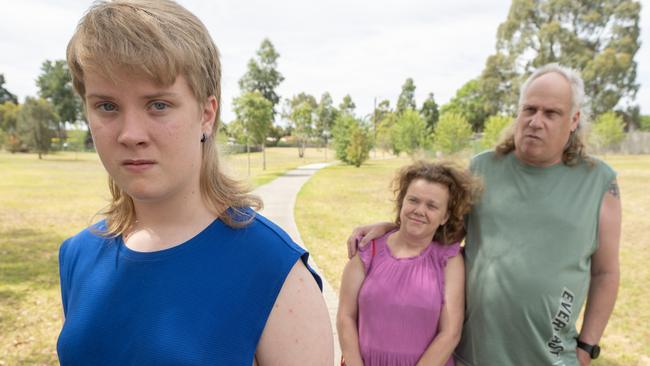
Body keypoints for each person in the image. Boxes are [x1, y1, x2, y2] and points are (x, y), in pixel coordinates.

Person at [57, 1, 333, 365]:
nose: (131, 134)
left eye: (158, 105)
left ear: (206, 113)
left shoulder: (275, 274)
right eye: (107, 106)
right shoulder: (77, 255)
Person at [348, 64, 621, 366]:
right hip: (473, 356)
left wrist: (587, 348)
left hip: (552, 358)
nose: (535, 121)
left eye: (551, 113)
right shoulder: (482, 170)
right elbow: (442, 233)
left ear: (574, 120)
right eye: (529, 109)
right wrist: (392, 228)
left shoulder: (599, 183)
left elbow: (605, 273)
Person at [337, 161, 481, 366]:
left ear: (445, 216)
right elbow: (345, 317)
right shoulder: (369, 249)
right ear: (402, 202)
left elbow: (450, 333)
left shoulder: (449, 260)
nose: (419, 210)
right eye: (413, 200)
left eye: (432, 206)